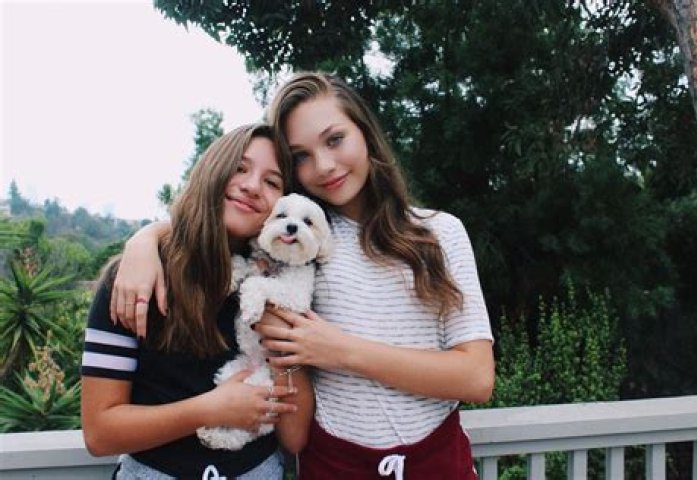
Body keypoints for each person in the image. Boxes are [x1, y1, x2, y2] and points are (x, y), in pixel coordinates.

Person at [112, 72, 495, 479]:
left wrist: (340, 350)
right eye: (300, 157)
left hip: (436, 463)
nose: (324, 166)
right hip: (333, 465)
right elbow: (214, 225)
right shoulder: (300, 239)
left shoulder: (439, 233)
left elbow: (475, 378)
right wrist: (145, 240)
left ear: (366, 133)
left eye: (335, 139)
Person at [81, 124, 314, 480]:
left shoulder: (279, 288)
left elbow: (294, 437)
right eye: (240, 168)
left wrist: (280, 338)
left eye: (272, 182)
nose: (252, 186)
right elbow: (100, 433)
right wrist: (209, 410)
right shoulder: (135, 280)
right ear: (212, 170)